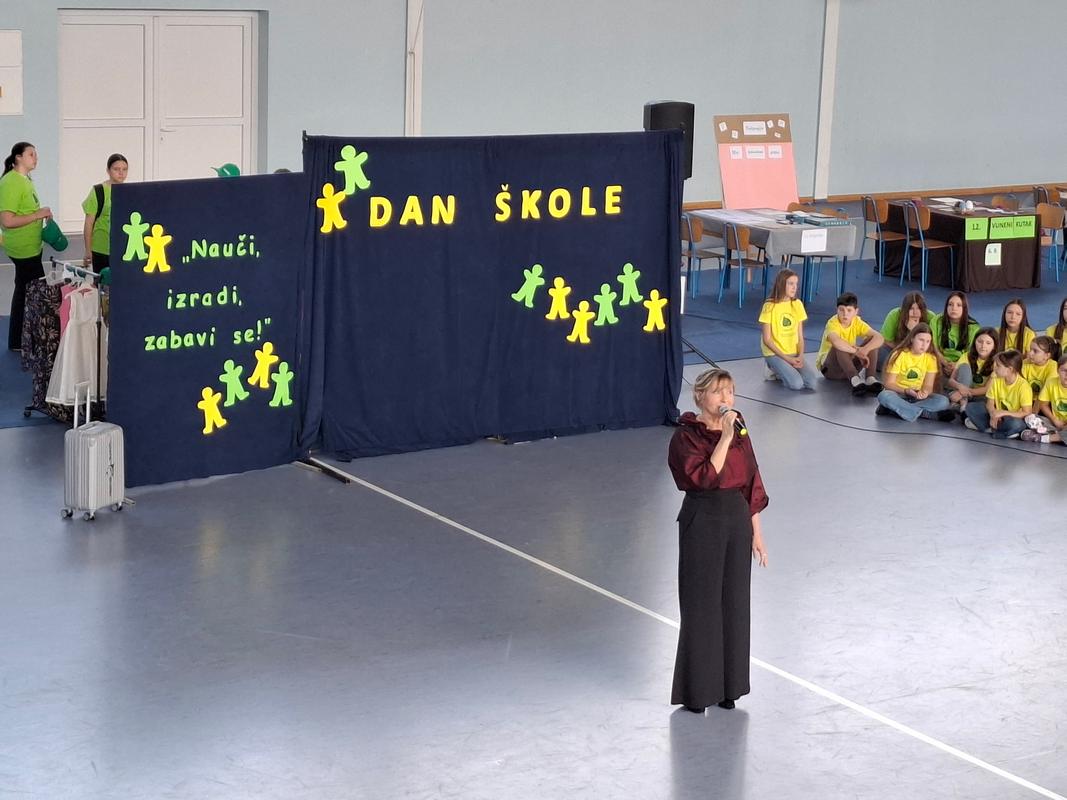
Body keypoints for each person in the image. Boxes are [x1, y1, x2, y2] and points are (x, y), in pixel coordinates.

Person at [667, 368, 768, 713]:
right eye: (718, 392)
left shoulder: (740, 428)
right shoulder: (686, 438)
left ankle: (730, 686)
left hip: (736, 518)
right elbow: (704, 478)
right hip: (703, 519)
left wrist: (756, 532)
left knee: (735, 603)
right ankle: (698, 691)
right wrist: (724, 438)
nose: (726, 399)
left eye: (730, 392)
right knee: (702, 604)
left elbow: (751, 480)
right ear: (700, 397)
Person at [0, 142, 51, 351]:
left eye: (36, 155)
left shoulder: (25, 180)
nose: (35, 158)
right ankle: (34, 340)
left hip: (31, 246)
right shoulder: (12, 182)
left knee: (24, 290)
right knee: (36, 292)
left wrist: (42, 213)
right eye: (31, 154)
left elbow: (26, 210)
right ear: (18, 157)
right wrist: (37, 215)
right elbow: (7, 221)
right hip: (23, 249)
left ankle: (18, 340)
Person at [875, 323, 955, 422]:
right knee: (884, 396)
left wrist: (925, 392)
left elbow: (928, 385)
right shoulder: (899, 355)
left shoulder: (931, 358)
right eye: (921, 340)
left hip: (917, 397)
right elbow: (889, 384)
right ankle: (925, 414)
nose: (924, 345)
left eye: (928, 341)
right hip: (899, 394)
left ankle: (895, 409)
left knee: (943, 401)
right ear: (912, 339)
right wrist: (906, 391)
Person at [815, 291, 884, 395]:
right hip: (831, 370)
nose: (845, 314)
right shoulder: (832, 323)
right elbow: (836, 342)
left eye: (849, 310)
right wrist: (857, 352)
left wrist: (865, 350)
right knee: (839, 345)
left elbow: (879, 337)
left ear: (856, 311)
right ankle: (855, 381)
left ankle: (870, 379)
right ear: (837, 310)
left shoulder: (857, 322)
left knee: (872, 340)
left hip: (848, 366)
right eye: (841, 310)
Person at [758, 268, 817, 390]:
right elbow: (767, 340)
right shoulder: (769, 306)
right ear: (782, 284)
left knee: (812, 383)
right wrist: (788, 359)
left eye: (796, 284)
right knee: (796, 384)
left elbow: (800, 336)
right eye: (791, 284)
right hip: (775, 353)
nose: (794, 287)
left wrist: (800, 356)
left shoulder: (798, 304)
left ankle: (784, 368)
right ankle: (772, 367)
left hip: (793, 351)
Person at [962, 350, 1033, 439]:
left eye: (998, 366)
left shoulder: (1024, 386)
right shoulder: (996, 380)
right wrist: (993, 414)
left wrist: (1003, 413)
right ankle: (1001, 431)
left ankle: (988, 428)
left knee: (1017, 424)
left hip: (1011, 418)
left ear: (1010, 369)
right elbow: (990, 403)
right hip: (995, 416)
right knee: (970, 407)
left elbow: (1027, 412)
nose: (994, 368)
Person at [81, 153, 128, 270]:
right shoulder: (98, 191)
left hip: (123, 248)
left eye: (124, 169)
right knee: (103, 280)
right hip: (101, 248)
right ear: (108, 170)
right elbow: (88, 223)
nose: (121, 173)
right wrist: (88, 250)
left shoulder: (129, 192)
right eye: (116, 169)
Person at [930, 291, 979, 384]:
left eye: (958, 305)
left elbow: (972, 353)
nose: (954, 308)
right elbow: (933, 346)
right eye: (950, 304)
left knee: (966, 369)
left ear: (964, 308)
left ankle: (959, 390)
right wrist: (944, 363)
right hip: (939, 360)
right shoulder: (937, 320)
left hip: (961, 363)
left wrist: (956, 365)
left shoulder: (974, 327)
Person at [946, 326, 998, 410]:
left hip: (980, 396)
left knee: (988, 403)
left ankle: (961, 406)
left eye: (988, 343)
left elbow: (986, 389)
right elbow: (951, 380)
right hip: (964, 392)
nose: (983, 346)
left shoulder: (997, 362)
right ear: (975, 342)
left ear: (994, 346)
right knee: (964, 367)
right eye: (980, 342)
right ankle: (963, 404)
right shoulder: (966, 356)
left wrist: (962, 393)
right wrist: (960, 388)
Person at [1021, 354, 1067, 444]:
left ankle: (1043, 438)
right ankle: (1057, 435)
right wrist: (1055, 420)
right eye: (1064, 370)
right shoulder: (1051, 382)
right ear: (1057, 370)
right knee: (1030, 418)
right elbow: (1044, 405)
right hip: (1054, 423)